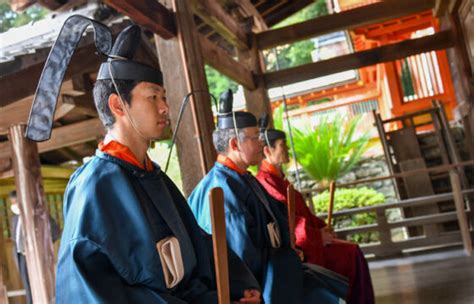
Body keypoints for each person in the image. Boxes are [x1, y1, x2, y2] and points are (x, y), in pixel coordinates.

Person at [30, 16, 261, 303]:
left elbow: (200, 243)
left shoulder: (153, 175)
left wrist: (238, 288)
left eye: (164, 97)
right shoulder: (95, 184)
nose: (165, 107)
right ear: (117, 104)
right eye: (153, 97)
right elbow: (95, 288)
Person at [189, 90, 348, 304]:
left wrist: (291, 249)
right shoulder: (223, 187)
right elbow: (240, 252)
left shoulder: (243, 178)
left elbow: (277, 218)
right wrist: (252, 286)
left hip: (275, 269)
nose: (262, 145)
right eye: (255, 138)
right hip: (258, 285)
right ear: (235, 144)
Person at [255, 123, 375, 304]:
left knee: (352, 252)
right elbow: (288, 220)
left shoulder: (280, 179)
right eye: (282, 145)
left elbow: (304, 214)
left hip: (311, 241)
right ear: (267, 150)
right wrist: (317, 236)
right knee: (351, 254)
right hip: (301, 248)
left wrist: (322, 228)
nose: (287, 148)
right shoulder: (266, 181)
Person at [9, 190, 60, 304]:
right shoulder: (15, 219)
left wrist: (42, 246)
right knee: (28, 285)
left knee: (41, 283)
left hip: (36, 255)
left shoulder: (38, 214)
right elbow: (15, 239)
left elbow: (56, 232)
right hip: (20, 256)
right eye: (12, 203)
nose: (14, 205)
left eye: (16, 202)